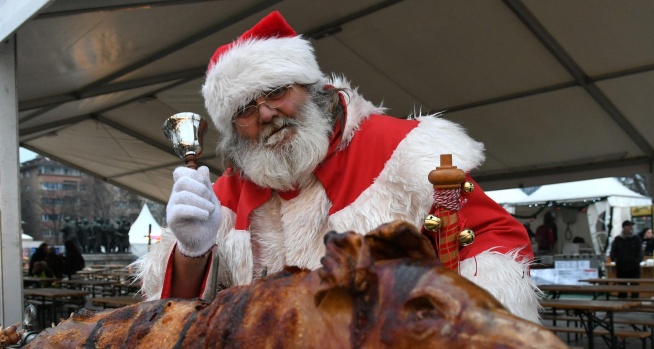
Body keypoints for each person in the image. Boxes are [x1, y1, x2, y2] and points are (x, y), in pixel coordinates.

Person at [136, 11, 539, 322]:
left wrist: (454, 333)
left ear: (311, 89)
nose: (267, 114)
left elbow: (496, 242)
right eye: (244, 109)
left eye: (277, 91)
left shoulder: (401, 149)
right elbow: (179, 312)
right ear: (234, 129)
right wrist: (192, 252)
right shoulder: (227, 193)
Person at [609, 220, 644, 298]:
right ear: (624, 227)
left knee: (635, 287)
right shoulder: (617, 239)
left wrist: (638, 261)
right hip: (621, 266)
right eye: (629, 226)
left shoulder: (636, 238)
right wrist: (615, 261)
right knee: (622, 287)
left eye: (631, 226)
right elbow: (613, 252)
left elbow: (640, 251)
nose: (631, 228)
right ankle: (622, 301)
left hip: (634, 266)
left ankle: (635, 302)